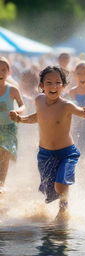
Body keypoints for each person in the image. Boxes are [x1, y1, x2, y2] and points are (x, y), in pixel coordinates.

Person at [10, 66, 85, 220]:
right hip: (45, 154)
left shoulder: (66, 105)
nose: (53, 86)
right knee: (51, 193)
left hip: (67, 153)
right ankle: (60, 204)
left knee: (60, 184)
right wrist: (21, 119)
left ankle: (63, 210)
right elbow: (37, 117)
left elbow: (81, 112)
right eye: (49, 83)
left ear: (63, 86)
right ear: (41, 85)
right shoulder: (38, 100)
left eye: (58, 83)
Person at [0, 57, 25, 192]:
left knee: (5, 156)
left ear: (8, 72)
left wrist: (17, 111)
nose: (0, 73)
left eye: (3, 70)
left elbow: (22, 105)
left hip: (9, 127)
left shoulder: (12, 90)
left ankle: (1, 185)